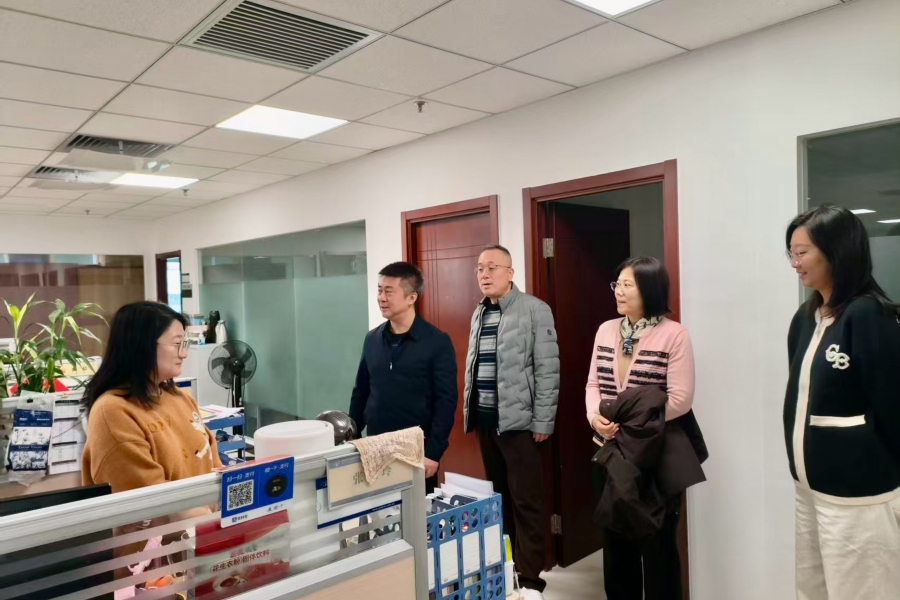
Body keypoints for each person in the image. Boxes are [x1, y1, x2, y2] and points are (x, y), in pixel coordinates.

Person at [784, 205, 900, 600]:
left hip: (858, 496)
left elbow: (892, 407)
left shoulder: (870, 315)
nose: (795, 263)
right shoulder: (805, 317)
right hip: (809, 487)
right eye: (791, 253)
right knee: (812, 590)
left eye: (803, 253)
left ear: (837, 252)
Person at [586, 256, 696, 600]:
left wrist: (631, 424)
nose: (618, 291)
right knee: (616, 545)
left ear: (649, 288)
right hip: (609, 453)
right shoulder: (606, 330)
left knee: (659, 547)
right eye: (616, 284)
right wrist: (594, 417)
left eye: (627, 285)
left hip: (653, 455)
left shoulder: (674, 335)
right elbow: (593, 385)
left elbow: (680, 399)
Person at [463, 244, 559, 600]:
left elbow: (548, 369)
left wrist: (543, 421)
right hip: (487, 423)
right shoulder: (479, 312)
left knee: (527, 504)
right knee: (499, 501)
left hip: (520, 426)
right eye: (479, 268)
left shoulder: (535, 309)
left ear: (510, 273)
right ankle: (506, 571)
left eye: (492, 267)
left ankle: (531, 580)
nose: (484, 274)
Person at [82, 302, 221, 493]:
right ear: (142, 346)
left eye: (185, 344)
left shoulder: (181, 398)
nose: (184, 354)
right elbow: (148, 498)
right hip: (174, 513)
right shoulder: (113, 411)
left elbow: (214, 466)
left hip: (205, 510)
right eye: (177, 344)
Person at [349, 262, 458, 492]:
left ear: (411, 297)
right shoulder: (372, 339)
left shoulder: (436, 342)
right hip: (375, 448)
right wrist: (353, 437)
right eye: (379, 290)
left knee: (416, 513)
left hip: (416, 451)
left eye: (389, 291)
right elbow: (361, 392)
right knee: (378, 511)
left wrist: (434, 453)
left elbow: (446, 402)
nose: (381, 298)